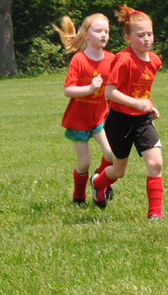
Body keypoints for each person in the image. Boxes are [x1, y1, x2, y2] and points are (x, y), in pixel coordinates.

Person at [89, 5, 165, 219]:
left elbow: (140, 91)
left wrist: (148, 105)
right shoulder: (123, 60)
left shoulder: (155, 60)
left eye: (149, 34)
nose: (146, 39)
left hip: (142, 121)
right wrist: (137, 103)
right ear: (128, 38)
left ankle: (155, 213)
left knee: (156, 163)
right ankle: (98, 182)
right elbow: (110, 93)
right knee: (119, 171)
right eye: (140, 35)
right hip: (119, 121)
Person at [54, 14, 115, 205]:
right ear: (86, 35)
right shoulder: (79, 60)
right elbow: (67, 90)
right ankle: (78, 197)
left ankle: (100, 180)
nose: (103, 35)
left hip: (99, 117)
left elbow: (117, 88)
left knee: (111, 154)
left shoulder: (112, 59)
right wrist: (89, 88)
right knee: (84, 163)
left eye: (106, 31)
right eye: (98, 31)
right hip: (78, 120)